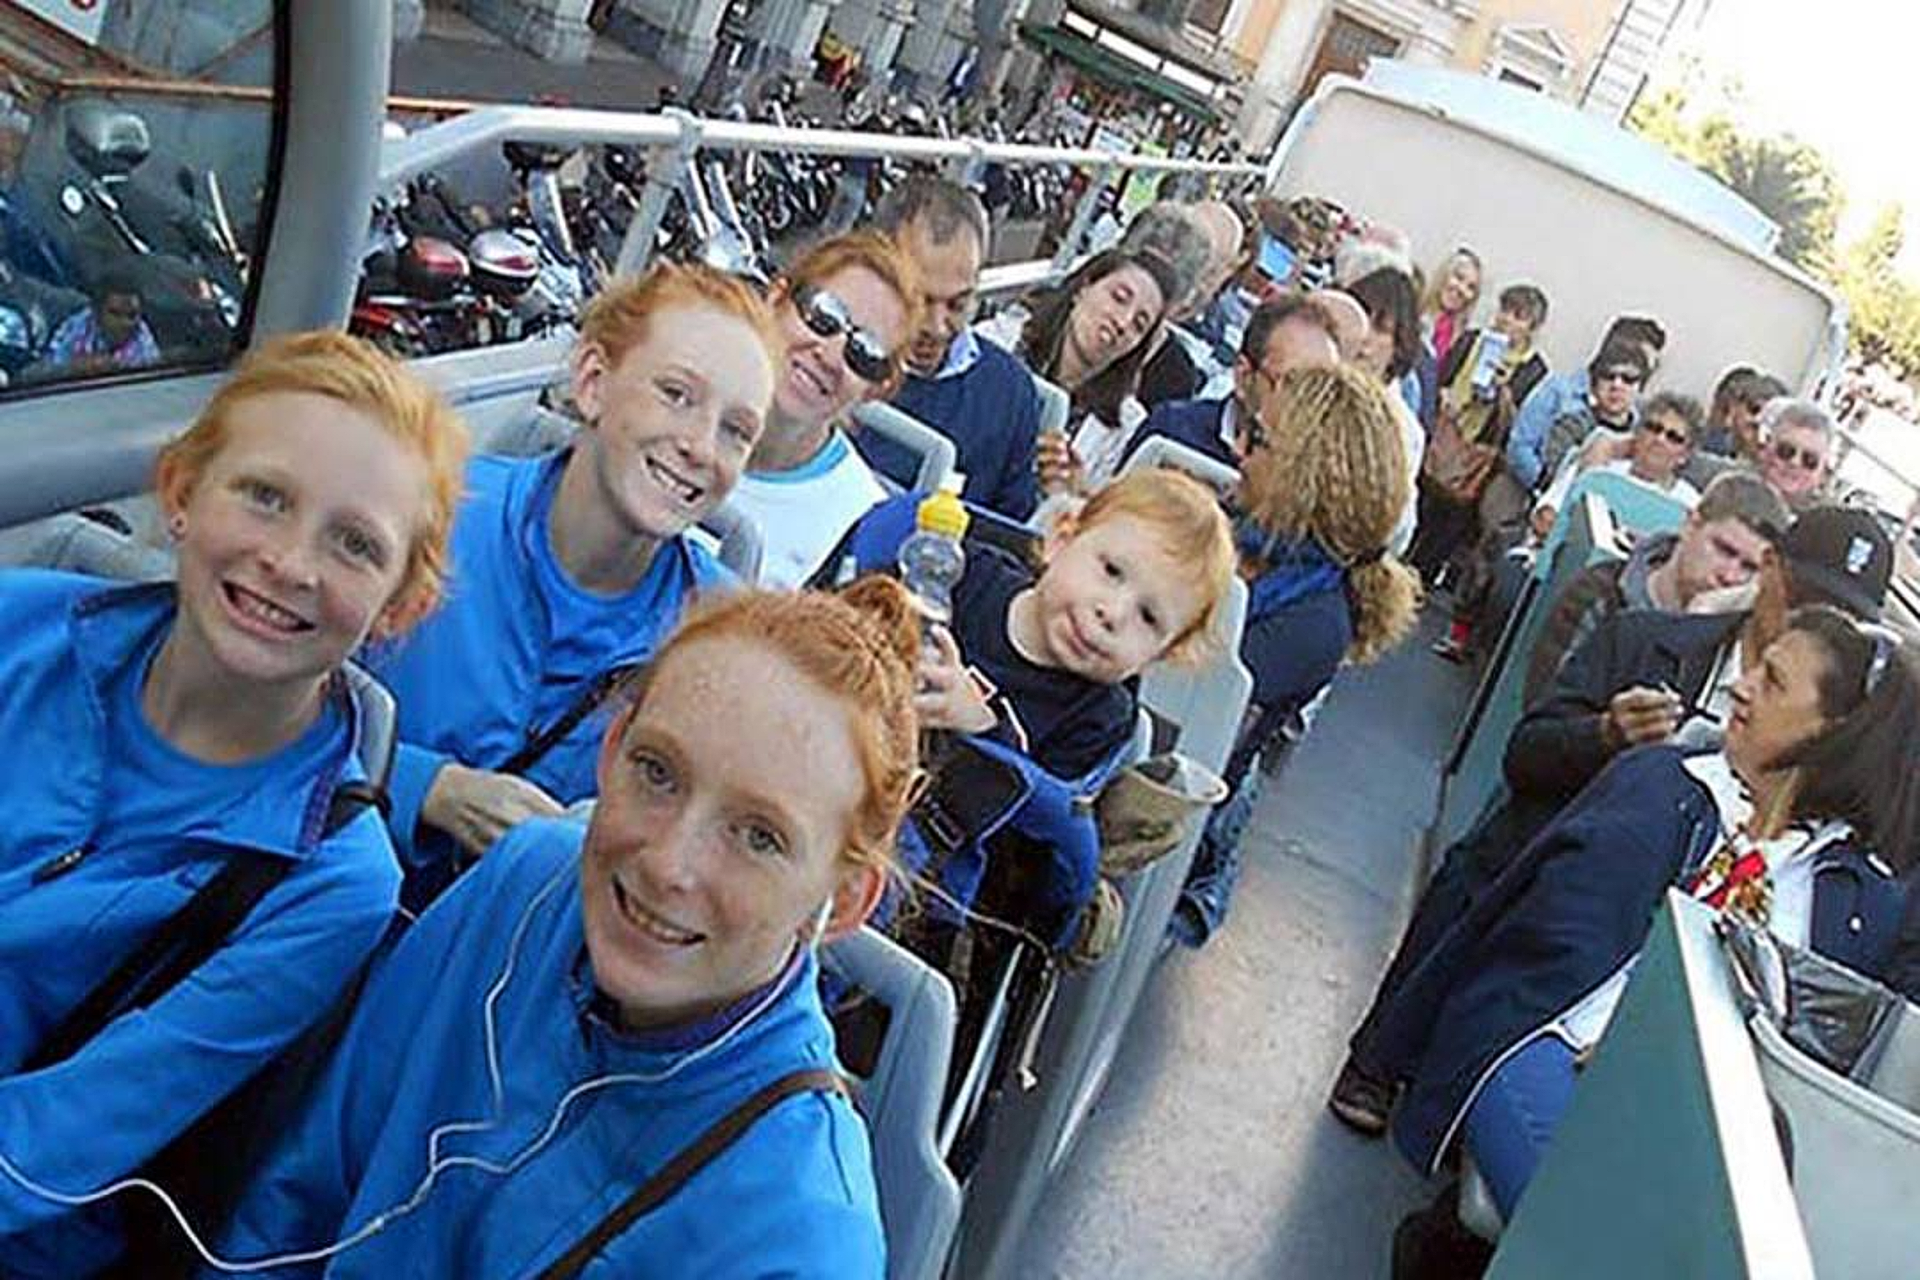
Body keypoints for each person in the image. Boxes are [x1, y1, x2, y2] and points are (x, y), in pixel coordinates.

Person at [216, 582, 923, 1278]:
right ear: (611, 750)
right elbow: (296, 1195)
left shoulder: (799, 1238)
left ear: (845, 901)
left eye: (760, 837)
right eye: (657, 772)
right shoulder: (527, 883)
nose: (668, 864)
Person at [0, 332, 467, 1275]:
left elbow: (67, 1136)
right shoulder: (20, 623)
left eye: (354, 544)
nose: (290, 562)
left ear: (398, 607)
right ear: (179, 493)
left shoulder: (330, 881)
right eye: (264, 496)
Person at [1329, 505, 1896, 1139]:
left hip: (1642, 934)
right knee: (1495, 886)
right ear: (1773, 572)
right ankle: (1383, 1059)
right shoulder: (1644, 640)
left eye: (1845, 615)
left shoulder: (1834, 796)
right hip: (1548, 863)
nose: (1816, 619)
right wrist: (1604, 734)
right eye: (1808, 593)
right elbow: (1526, 753)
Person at [1386, 608, 1918, 1276]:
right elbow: (1540, 947)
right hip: (1550, 1047)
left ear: (1834, 733)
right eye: (1756, 667)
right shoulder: (1658, 785)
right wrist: (1639, 1052)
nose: (1741, 686)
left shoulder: (1860, 898)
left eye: (1774, 681)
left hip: (1701, 1131)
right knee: (1617, 1245)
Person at [364, 262, 782, 908]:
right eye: (676, 394)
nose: (701, 446)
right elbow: (256, 696)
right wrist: (428, 788)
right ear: (592, 382)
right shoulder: (433, 509)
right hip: (307, 895)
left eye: (736, 432)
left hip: (506, 953)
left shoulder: (722, 639)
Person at [1174, 363, 1422, 944]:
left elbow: (1183, 697)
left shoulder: (1314, 625)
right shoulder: (1241, 536)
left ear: (1303, 474)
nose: (1239, 450)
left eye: (1258, 439)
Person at [917, 467, 1235, 782]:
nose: (1113, 614)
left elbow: (1038, 810)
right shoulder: (965, 577)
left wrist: (982, 730)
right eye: (1112, 571)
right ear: (1062, 539)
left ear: (1158, 656)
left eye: (1148, 617)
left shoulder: (1098, 718)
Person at [731, 232, 919, 589]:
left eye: (864, 352)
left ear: (879, 388)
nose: (830, 356)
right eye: (824, 315)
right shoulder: (672, 397)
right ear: (776, 298)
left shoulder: (859, 526)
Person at [1521, 470, 1789, 703]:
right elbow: (1544, 710)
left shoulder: (1736, 647)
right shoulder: (1599, 594)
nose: (1730, 576)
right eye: (1724, 550)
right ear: (1691, 525)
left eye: (1749, 568)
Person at [867, 178, 1043, 521]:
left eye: (958, 305)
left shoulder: (1011, 397)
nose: (936, 326)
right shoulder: (821, 352)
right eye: (918, 299)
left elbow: (1008, 532)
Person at [982, 248, 1181, 498]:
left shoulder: (1125, 425)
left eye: (1139, 325)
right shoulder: (997, 340)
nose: (1123, 322)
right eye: (1119, 298)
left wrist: (1074, 493)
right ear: (1083, 288)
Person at [1409, 282, 1551, 593]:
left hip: (1477, 454)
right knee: (1417, 504)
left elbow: (1517, 424)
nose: (1507, 321)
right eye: (1505, 311)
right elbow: (1441, 376)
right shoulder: (1473, 339)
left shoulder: (1534, 369)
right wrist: (1445, 395)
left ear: (1532, 327)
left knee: (1449, 522)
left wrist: (1502, 391)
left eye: (1519, 317)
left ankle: (1420, 582)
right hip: (1443, 433)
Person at [1123, 295, 1340, 471]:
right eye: (1291, 384)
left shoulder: (1313, 479)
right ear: (1243, 376)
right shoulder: (1175, 429)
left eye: (1321, 390)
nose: (1306, 402)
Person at [1506, 315, 1666, 493]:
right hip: (1531, 490)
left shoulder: (1638, 421)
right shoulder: (1559, 389)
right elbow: (1520, 446)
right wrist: (1547, 486)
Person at [1526, 388, 1703, 542]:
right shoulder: (1598, 467)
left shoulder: (1688, 504)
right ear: (1637, 432)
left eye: (1674, 437)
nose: (1659, 439)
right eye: (1653, 428)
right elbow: (1543, 520)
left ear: (1685, 455)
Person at [1340, 266, 1425, 554]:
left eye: (1380, 329)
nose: (1364, 336)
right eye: (1360, 318)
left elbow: (1395, 531)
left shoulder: (1404, 432)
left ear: (1398, 345)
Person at [1532, 340, 1650, 489]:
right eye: (1608, 376)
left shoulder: (1645, 438)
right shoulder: (1569, 426)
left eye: (1628, 379)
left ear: (1640, 388)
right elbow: (1557, 475)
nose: (1616, 385)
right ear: (1594, 385)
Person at [41, 266, 161, 374]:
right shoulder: (76, 326)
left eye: (132, 315)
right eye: (115, 314)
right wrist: (73, 368)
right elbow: (46, 369)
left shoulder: (144, 338)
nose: (124, 323)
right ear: (97, 312)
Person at [1755, 395, 1838, 510]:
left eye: (1809, 460)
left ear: (1822, 474)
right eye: (1786, 451)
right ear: (1765, 449)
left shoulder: (1824, 519)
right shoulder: (1732, 490)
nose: (1795, 462)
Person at [1421, 247, 1483, 372]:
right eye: (1458, 278)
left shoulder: (1464, 340)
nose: (1461, 289)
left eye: (1470, 287)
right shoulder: (1414, 311)